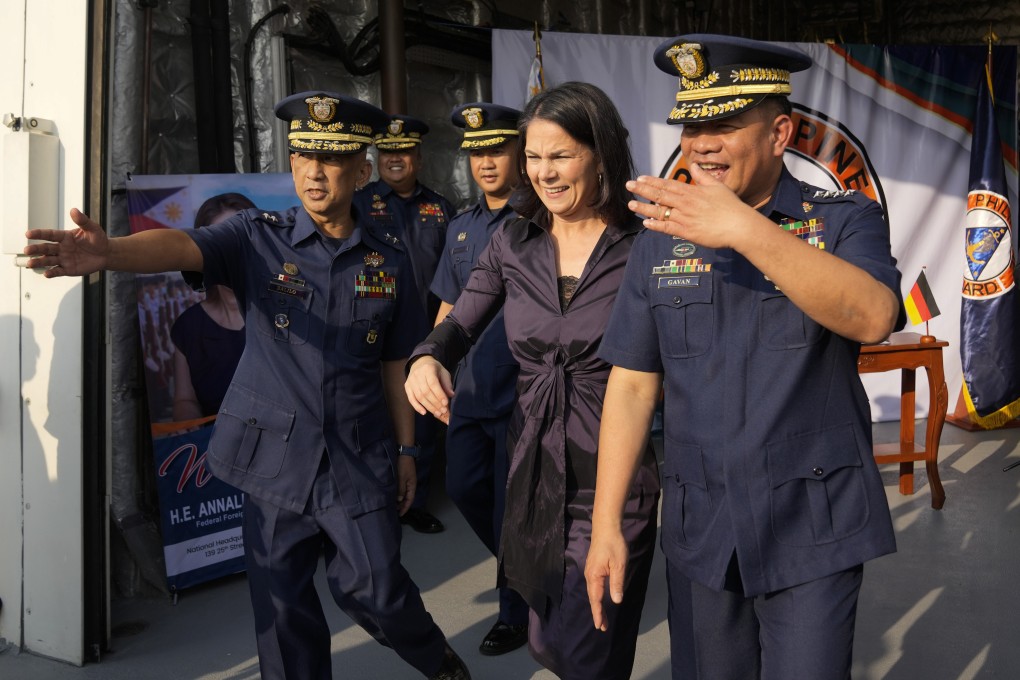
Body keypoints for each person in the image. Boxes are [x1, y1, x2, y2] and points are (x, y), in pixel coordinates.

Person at [24, 91, 471, 680]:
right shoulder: (256, 237)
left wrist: (410, 451)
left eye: (331, 159)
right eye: (302, 155)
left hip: (358, 458)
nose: (314, 171)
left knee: (378, 590)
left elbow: (396, 364)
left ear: (361, 171)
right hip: (274, 462)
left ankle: (434, 659)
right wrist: (110, 253)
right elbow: (184, 245)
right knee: (282, 615)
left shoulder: (387, 260)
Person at [585, 35, 903, 680]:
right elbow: (631, 385)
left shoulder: (843, 220)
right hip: (702, 525)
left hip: (812, 521)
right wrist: (605, 526)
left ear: (779, 131)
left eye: (725, 124)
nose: (701, 142)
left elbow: (873, 316)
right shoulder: (658, 240)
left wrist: (745, 230)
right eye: (692, 125)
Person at [405, 82, 660, 680]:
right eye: (534, 157)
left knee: (589, 645)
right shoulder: (511, 242)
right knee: (548, 639)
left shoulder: (645, 245)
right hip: (534, 475)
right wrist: (426, 358)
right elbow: (460, 321)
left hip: (612, 478)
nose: (544, 173)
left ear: (600, 152)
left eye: (561, 156)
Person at [430, 102, 529, 655]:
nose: (486, 162)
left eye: (496, 149)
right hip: (468, 390)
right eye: (476, 153)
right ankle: (534, 568)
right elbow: (448, 307)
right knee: (467, 488)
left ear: (517, 151)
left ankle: (516, 610)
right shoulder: (462, 228)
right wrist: (431, 362)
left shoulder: (539, 220)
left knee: (510, 506)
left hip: (522, 390)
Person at [357, 114, 455, 534]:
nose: (394, 159)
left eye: (403, 151)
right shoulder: (359, 204)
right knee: (376, 414)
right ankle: (379, 498)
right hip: (373, 331)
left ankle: (414, 499)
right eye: (387, 152)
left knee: (425, 415)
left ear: (417, 155)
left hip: (426, 330)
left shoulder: (440, 207)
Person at [171, 192, 254, 421]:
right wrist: (188, 420)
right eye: (220, 242)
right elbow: (184, 400)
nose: (231, 251)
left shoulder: (287, 313)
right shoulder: (188, 328)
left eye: (240, 238)